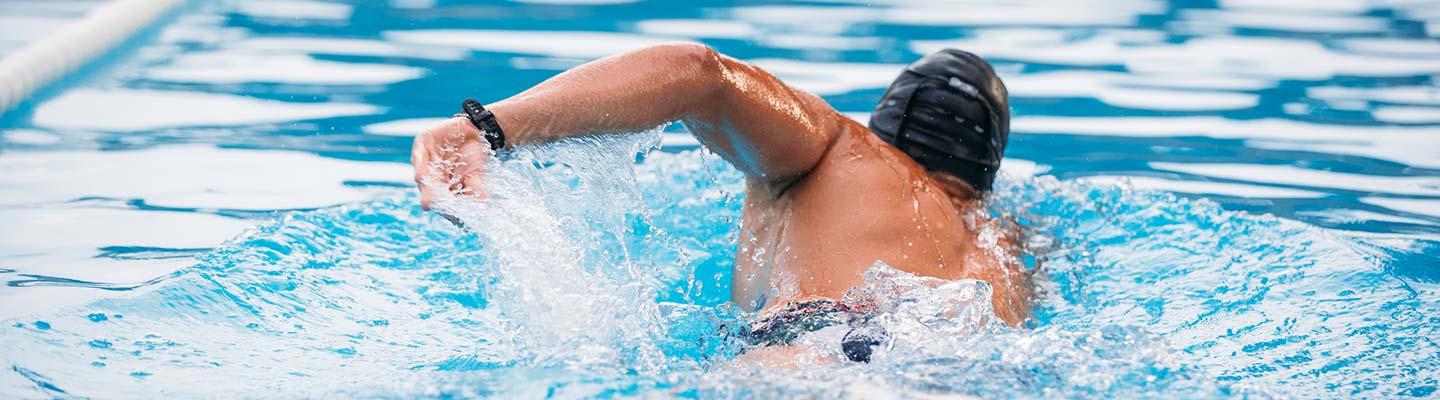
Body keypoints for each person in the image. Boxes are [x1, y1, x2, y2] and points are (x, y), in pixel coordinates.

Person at [411, 43, 1032, 365]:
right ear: (982, 172)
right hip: (956, 369)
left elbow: (697, 72)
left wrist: (488, 128)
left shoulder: (844, 149)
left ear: (885, 125)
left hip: (820, 346)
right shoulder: (1003, 251)